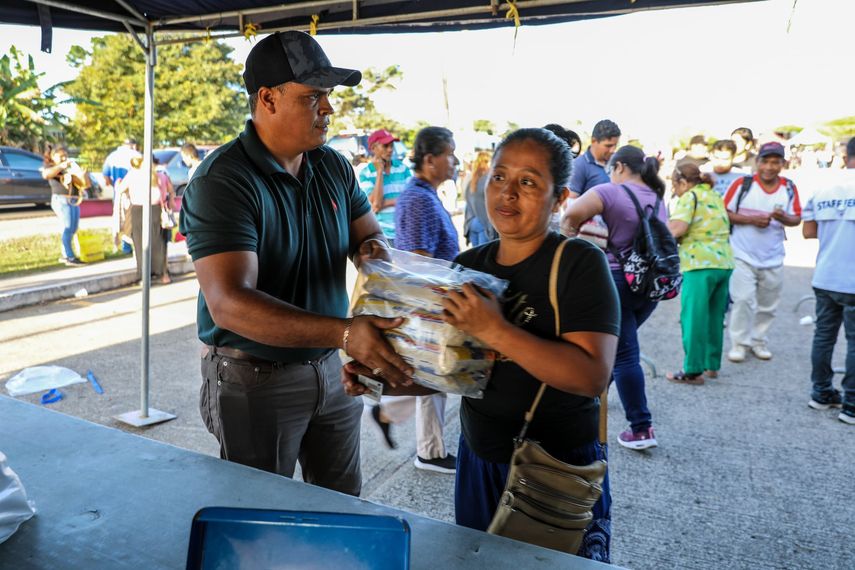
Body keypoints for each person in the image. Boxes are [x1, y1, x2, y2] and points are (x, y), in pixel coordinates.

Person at [343, 127, 620, 561]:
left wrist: (495, 329)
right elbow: (453, 371)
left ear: (560, 197)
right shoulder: (470, 266)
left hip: (553, 467)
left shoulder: (579, 263)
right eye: (499, 177)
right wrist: (383, 377)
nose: (507, 193)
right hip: (480, 461)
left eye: (528, 182)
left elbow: (590, 377)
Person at [179, 30, 413, 497]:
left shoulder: (332, 165)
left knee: (341, 503)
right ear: (267, 99)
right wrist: (346, 332)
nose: (327, 108)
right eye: (312, 97)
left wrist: (376, 262)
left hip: (331, 366)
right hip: (254, 378)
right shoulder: (223, 180)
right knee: (259, 514)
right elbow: (229, 304)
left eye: (326, 96)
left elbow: (368, 235)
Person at [563, 145, 668, 450]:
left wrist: (574, 246)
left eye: (612, 168)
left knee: (623, 355)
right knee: (619, 348)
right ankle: (589, 403)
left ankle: (641, 427)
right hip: (649, 286)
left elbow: (570, 215)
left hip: (616, 281)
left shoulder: (609, 192)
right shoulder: (658, 197)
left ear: (620, 166)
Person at [369, 126, 460, 474]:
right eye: (449, 154)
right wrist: (438, 308)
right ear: (430, 159)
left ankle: (419, 440)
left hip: (434, 301)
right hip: (430, 303)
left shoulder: (424, 193)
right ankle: (429, 451)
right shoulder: (419, 198)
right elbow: (420, 260)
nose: (453, 161)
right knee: (435, 376)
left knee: (435, 379)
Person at [723, 142, 801, 363]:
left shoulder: (788, 187)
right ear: (757, 162)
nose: (769, 166)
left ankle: (758, 340)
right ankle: (739, 344)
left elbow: (796, 218)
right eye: (765, 161)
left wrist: (783, 218)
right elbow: (724, 212)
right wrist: (751, 220)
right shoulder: (742, 184)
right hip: (741, 254)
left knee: (768, 305)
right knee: (742, 300)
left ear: (783, 164)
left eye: (775, 162)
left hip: (773, 257)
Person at [801, 137, 855, 425]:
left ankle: (820, 393)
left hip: (826, 276)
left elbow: (809, 232)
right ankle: (852, 405)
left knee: (823, 336)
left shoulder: (823, 188)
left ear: (847, 155)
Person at [665, 163, 734, 384]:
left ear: (683, 182)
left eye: (675, 186)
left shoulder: (689, 197)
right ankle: (712, 365)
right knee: (715, 317)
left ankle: (693, 370)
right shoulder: (713, 195)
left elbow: (677, 229)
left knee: (693, 318)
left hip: (699, 264)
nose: (674, 190)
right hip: (723, 263)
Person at [117, 156, 173, 284]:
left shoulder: (133, 175)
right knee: (159, 242)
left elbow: (120, 189)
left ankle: (144, 275)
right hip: (156, 210)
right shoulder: (160, 175)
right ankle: (163, 274)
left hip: (138, 210)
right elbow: (170, 191)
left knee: (140, 243)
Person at [358, 128, 412, 246]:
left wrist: (386, 202)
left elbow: (410, 200)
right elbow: (376, 205)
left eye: (392, 145)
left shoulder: (403, 169)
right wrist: (379, 173)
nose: (390, 149)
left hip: (405, 233)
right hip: (383, 235)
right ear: (373, 148)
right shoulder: (365, 173)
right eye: (385, 146)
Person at [40, 146, 85, 266]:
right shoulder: (50, 166)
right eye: (61, 156)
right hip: (61, 199)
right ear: (53, 156)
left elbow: (85, 183)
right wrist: (61, 166)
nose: (64, 158)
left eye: (65, 155)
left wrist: (82, 173)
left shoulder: (70, 167)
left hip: (73, 200)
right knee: (67, 227)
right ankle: (69, 256)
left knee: (73, 228)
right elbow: (46, 174)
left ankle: (67, 254)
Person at [104, 138, 141, 254]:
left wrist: (115, 185)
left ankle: (125, 247)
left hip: (119, 192)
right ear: (133, 145)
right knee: (134, 219)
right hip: (135, 193)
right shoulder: (137, 155)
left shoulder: (112, 156)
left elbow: (105, 176)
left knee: (121, 219)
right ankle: (133, 244)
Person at [568, 119, 621, 198]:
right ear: (594, 141)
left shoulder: (618, 162)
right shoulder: (579, 166)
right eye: (608, 146)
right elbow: (571, 202)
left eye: (615, 145)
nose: (612, 150)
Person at [463, 150, 497, 247]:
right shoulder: (488, 181)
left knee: (475, 258)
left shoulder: (472, 181)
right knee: (483, 259)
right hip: (484, 224)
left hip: (471, 223)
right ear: (487, 162)